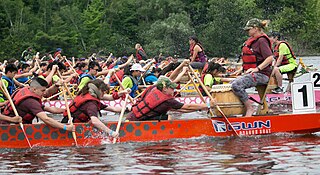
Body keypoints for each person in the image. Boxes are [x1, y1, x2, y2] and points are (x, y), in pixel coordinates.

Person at [231, 18, 273, 117]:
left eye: (248, 29)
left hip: (263, 74)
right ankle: (238, 109)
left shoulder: (262, 41)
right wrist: (242, 69)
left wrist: (257, 69)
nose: (247, 31)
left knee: (236, 85)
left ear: (255, 28)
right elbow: (252, 59)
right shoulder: (253, 41)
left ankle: (250, 108)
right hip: (255, 73)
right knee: (230, 84)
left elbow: (270, 58)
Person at [125, 76, 216, 121]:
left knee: (170, 115)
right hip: (137, 122)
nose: (174, 90)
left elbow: (180, 110)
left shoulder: (153, 88)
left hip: (130, 117)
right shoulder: (168, 100)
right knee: (170, 118)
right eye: (172, 88)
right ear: (164, 89)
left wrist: (200, 109)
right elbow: (187, 107)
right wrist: (208, 105)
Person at [1, 77, 74, 132]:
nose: (44, 93)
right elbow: (46, 119)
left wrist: (67, 110)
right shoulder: (31, 102)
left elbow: (50, 108)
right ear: (34, 89)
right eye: (42, 91)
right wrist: (66, 127)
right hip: (8, 127)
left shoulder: (27, 89)